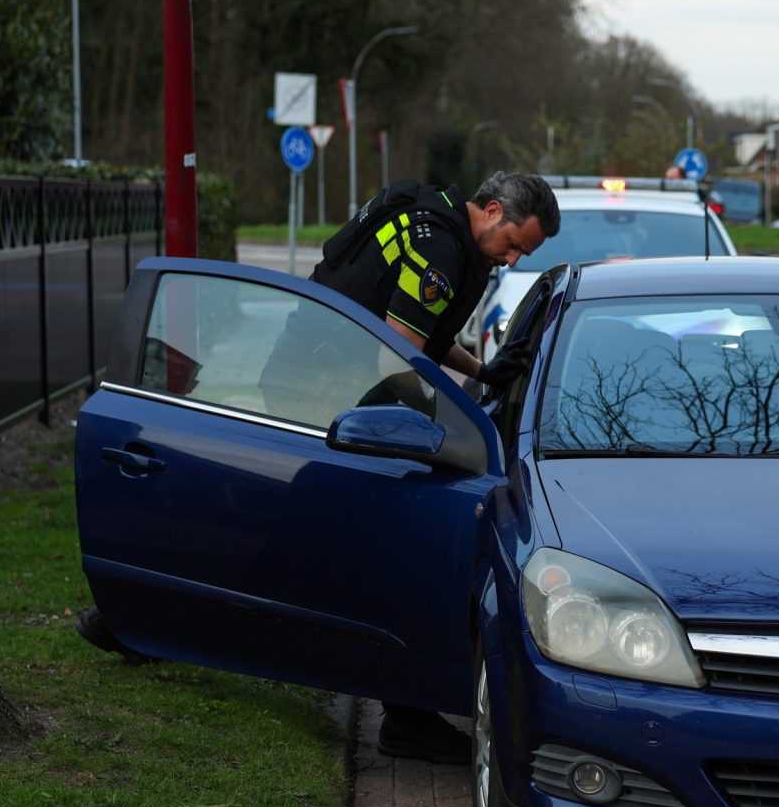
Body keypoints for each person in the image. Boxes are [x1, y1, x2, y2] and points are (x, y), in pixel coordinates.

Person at [78, 171, 562, 766]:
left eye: (524, 254)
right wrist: (448, 429)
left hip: (309, 370)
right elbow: (403, 357)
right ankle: (404, 714)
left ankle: (141, 616)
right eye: (514, 243)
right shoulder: (441, 250)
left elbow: (421, 338)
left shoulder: (430, 208)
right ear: (490, 210)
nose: (512, 259)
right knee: (375, 543)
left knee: (296, 531)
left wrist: (483, 373)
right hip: (325, 389)